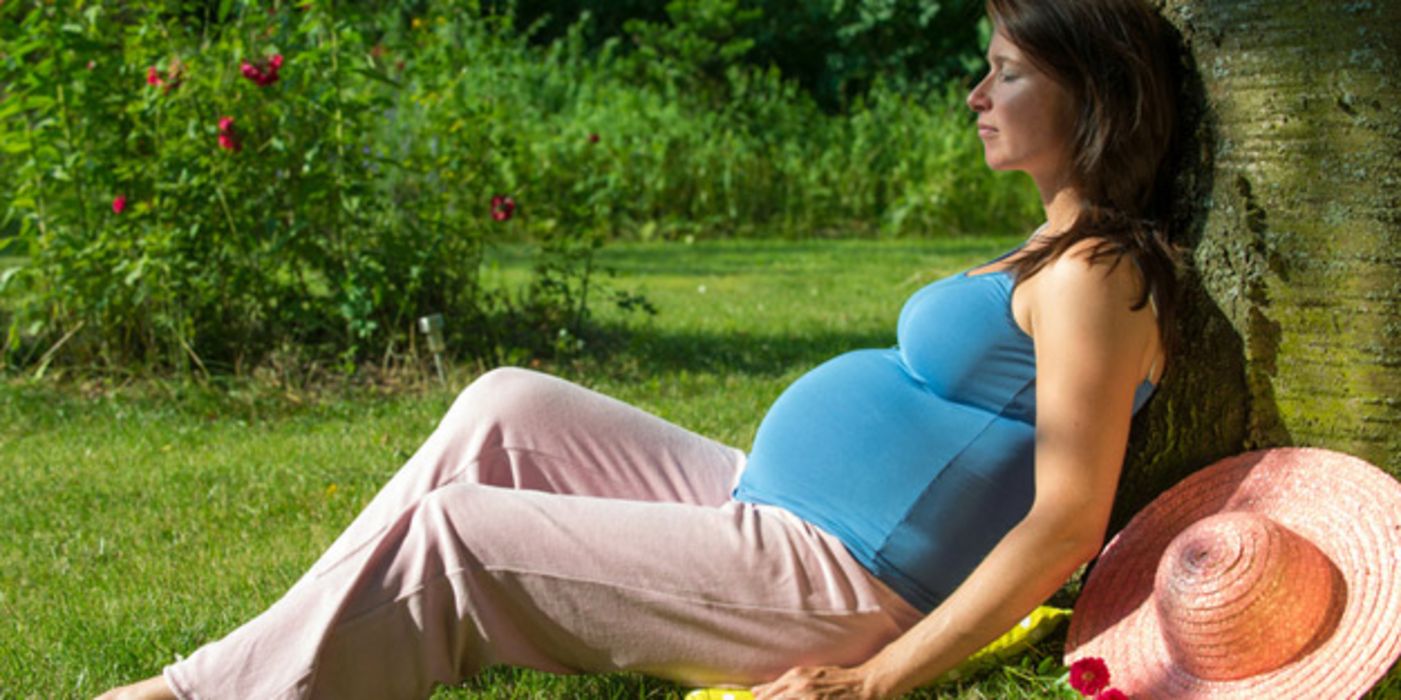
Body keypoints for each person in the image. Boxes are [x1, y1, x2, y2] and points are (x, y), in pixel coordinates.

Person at [97, 0, 1183, 697]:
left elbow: (1063, 519)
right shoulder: (1048, 248)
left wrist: (879, 682)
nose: (975, 94)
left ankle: (197, 697)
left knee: (461, 536)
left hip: (838, 581)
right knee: (505, 403)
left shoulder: (1099, 273)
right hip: (762, 505)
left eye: (1005, 71)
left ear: (1088, 95)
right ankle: (266, 656)